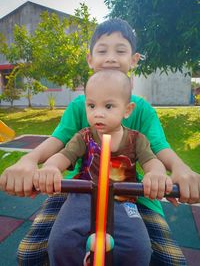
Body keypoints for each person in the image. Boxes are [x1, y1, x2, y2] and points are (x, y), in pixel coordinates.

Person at [0, 18, 198, 265]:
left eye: (120, 50)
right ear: (90, 59)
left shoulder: (142, 111)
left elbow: (159, 149)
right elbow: (58, 141)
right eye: (102, 50)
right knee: (29, 253)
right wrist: (30, 161)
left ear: (134, 60)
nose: (111, 58)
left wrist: (179, 168)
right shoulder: (78, 107)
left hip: (131, 195)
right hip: (81, 190)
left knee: (172, 261)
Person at [35, 69, 173, 265]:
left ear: (127, 110)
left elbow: (152, 162)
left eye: (108, 106)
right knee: (60, 242)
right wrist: (51, 167)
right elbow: (63, 155)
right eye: (91, 105)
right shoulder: (84, 136)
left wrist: (156, 174)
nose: (98, 113)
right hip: (83, 197)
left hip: (124, 201)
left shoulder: (136, 139)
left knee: (139, 249)